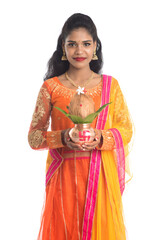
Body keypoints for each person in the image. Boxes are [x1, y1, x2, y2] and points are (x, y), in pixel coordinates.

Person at [28, 13, 133, 240]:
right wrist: (64, 137)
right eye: (72, 44)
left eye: (86, 44)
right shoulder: (51, 87)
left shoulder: (110, 85)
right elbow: (34, 137)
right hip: (63, 178)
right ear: (63, 48)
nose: (79, 51)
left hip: (101, 178)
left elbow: (126, 130)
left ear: (95, 46)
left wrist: (101, 137)